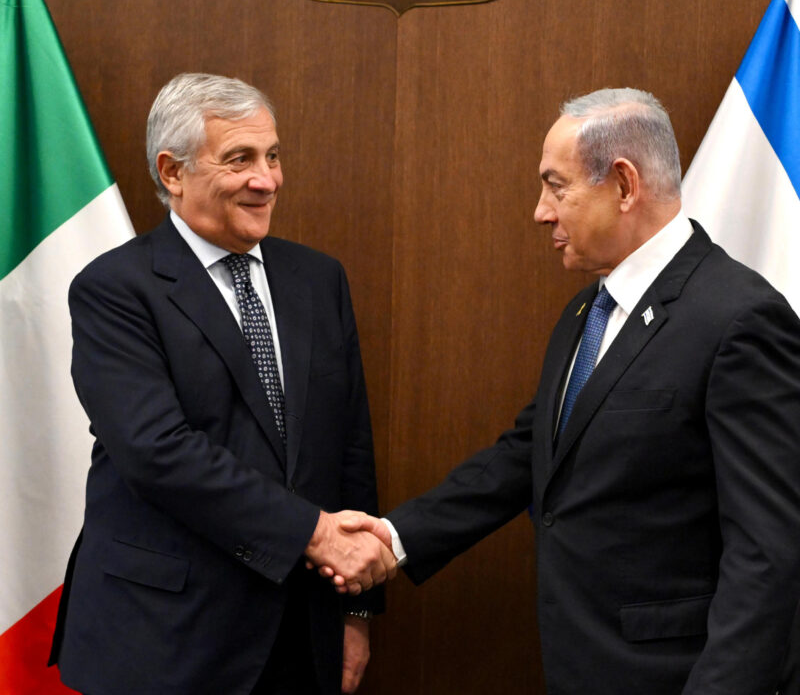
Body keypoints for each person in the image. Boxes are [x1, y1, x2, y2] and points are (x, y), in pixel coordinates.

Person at [334, 88, 800, 693]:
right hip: (580, 666)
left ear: (625, 185)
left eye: (557, 187)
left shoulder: (739, 319)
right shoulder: (589, 310)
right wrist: (395, 540)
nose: (540, 212)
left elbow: (769, 553)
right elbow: (530, 452)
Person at [48, 73, 395, 695]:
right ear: (172, 172)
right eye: (240, 159)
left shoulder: (319, 280)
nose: (268, 180)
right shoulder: (115, 290)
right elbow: (159, 452)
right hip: (164, 639)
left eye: (273, 155)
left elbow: (349, 445)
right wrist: (314, 535)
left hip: (299, 633)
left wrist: (358, 609)